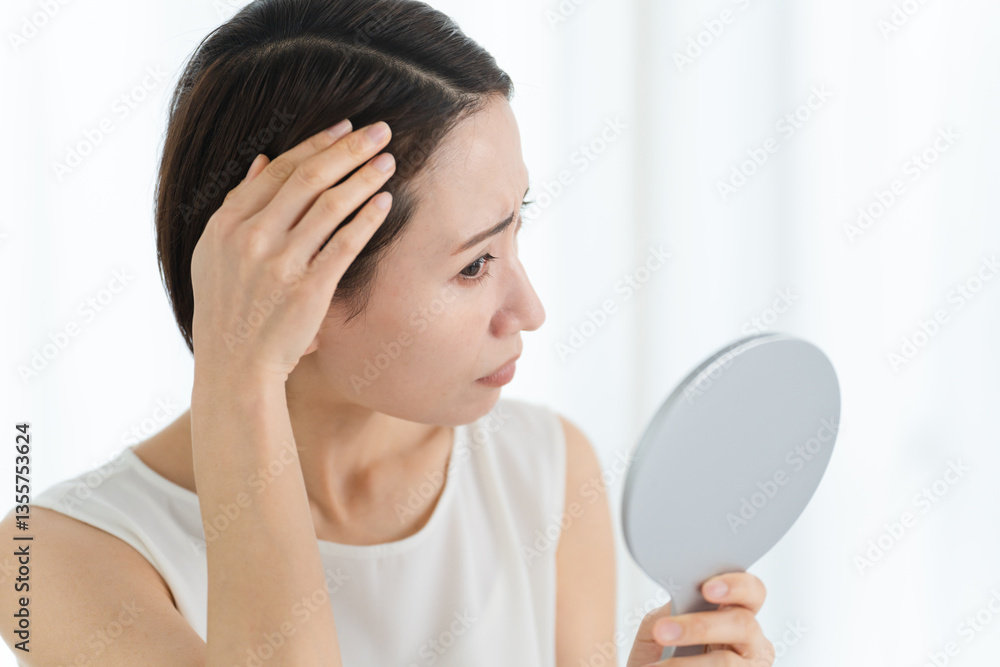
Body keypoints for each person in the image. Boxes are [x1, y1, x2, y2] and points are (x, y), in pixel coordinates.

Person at [0, 0, 775, 665]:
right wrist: (238, 380)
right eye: (474, 264)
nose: (529, 308)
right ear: (298, 287)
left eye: (517, 229)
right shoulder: (49, 558)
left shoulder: (544, 470)